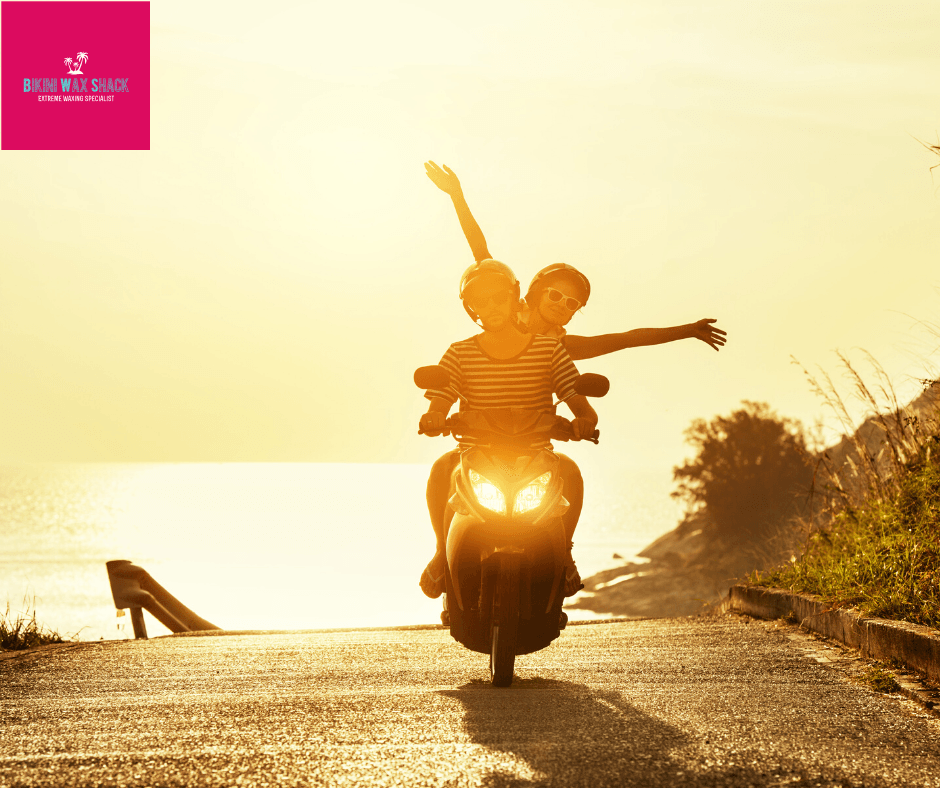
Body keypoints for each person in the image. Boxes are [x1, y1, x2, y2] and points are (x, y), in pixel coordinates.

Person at [419, 259, 597, 600]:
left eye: (497, 297)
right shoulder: (460, 353)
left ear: (514, 296)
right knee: (443, 469)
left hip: (536, 453)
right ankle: (443, 553)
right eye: (480, 302)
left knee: (571, 472)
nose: (491, 307)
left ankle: (565, 557)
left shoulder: (549, 350)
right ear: (472, 309)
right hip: (475, 453)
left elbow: (576, 398)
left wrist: (585, 419)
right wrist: (433, 416)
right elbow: (440, 399)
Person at [423, 160, 728, 358]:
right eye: (556, 294)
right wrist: (456, 196)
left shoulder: (562, 348)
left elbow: (626, 339)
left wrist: (686, 330)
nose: (561, 303)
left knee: (559, 462)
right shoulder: (507, 308)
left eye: (571, 304)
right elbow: (481, 251)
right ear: (532, 292)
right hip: (481, 416)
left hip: (530, 431)